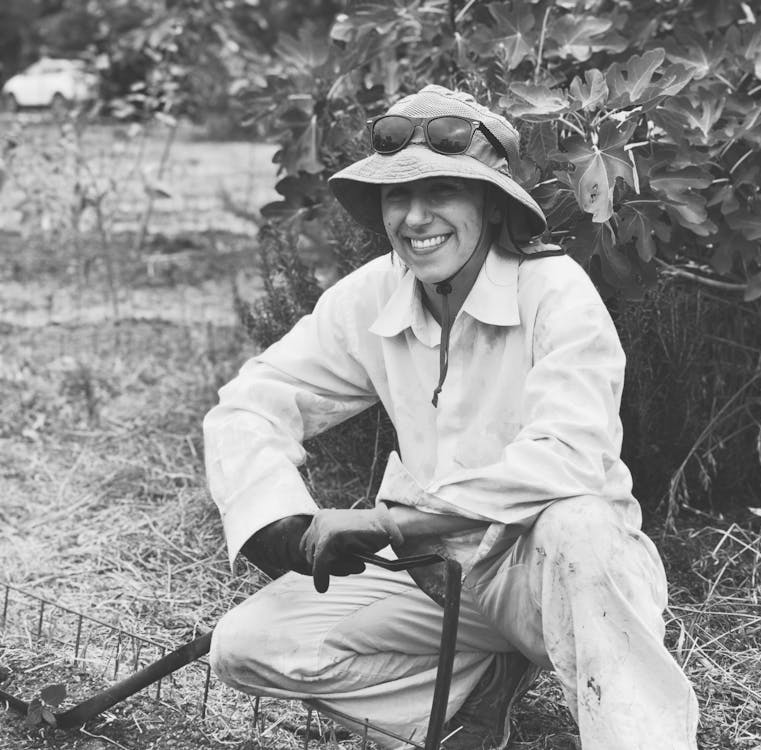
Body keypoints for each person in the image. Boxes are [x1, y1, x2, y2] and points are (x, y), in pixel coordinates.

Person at [203, 84, 699, 750]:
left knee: (579, 522)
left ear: (491, 206)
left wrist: (389, 520)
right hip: (437, 580)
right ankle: (472, 695)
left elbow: (569, 456)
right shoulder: (373, 294)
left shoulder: (554, 292)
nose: (415, 218)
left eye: (441, 192)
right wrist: (277, 519)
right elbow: (251, 401)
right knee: (244, 646)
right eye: (397, 196)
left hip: (551, 573)